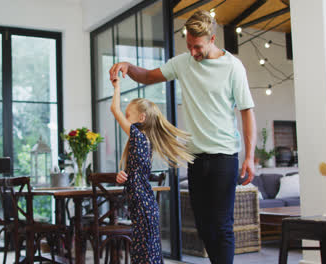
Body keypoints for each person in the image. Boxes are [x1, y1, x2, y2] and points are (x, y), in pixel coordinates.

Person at [109, 10, 257, 264]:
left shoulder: (233, 67)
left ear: (212, 39)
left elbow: (246, 112)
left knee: (221, 225)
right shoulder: (183, 63)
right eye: (188, 45)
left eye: (197, 47)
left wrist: (250, 156)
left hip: (224, 157)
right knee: (203, 224)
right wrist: (127, 66)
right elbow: (146, 76)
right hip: (195, 156)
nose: (193, 52)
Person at [110, 76, 193, 264]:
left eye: (128, 115)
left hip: (142, 204)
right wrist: (124, 175)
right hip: (144, 204)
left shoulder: (139, 136)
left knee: (144, 253)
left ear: (141, 118)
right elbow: (137, 173)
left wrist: (117, 87)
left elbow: (114, 109)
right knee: (145, 251)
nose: (125, 118)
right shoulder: (143, 141)